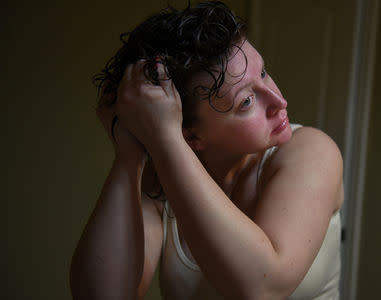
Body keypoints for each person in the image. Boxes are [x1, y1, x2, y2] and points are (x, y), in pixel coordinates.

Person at [70, 1, 344, 299]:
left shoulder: (310, 151)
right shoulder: (162, 175)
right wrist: (129, 153)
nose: (279, 101)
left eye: (263, 73)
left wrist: (166, 139)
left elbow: (264, 288)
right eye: (247, 102)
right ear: (191, 136)